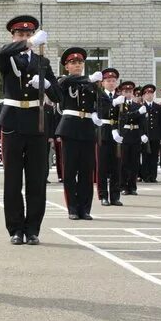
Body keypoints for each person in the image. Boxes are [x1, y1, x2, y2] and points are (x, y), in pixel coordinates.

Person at [0, 15, 52, 243]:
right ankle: (16, 229)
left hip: (36, 123)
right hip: (13, 123)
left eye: (29, 34)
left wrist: (46, 85)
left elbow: (57, 94)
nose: (25, 37)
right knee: (13, 179)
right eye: (21, 34)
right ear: (13, 36)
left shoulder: (42, 61)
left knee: (37, 179)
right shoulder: (8, 58)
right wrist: (29, 43)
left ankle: (33, 229)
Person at [54, 49, 102, 219]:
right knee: (70, 170)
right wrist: (90, 79)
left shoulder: (91, 84)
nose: (77, 65)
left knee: (86, 171)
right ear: (66, 66)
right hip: (70, 129)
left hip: (88, 129)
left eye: (80, 63)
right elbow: (64, 83)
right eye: (73, 63)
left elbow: (103, 101)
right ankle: (72, 208)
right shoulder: (64, 80)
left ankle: (85, 208)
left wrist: (98, 113)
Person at [94, 68, 123, 206]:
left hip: (116, 134)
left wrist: (119, 131)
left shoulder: (120, 97)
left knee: (116, 167)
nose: (111, 83)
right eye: (108, 81)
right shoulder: (98, 96)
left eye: (113, 81)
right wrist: (114, 104)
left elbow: (124, 116)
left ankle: (115, 196)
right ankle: (103, 195)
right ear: (103, 83)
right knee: (103, 166)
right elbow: (101, 112)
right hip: (103, 133)